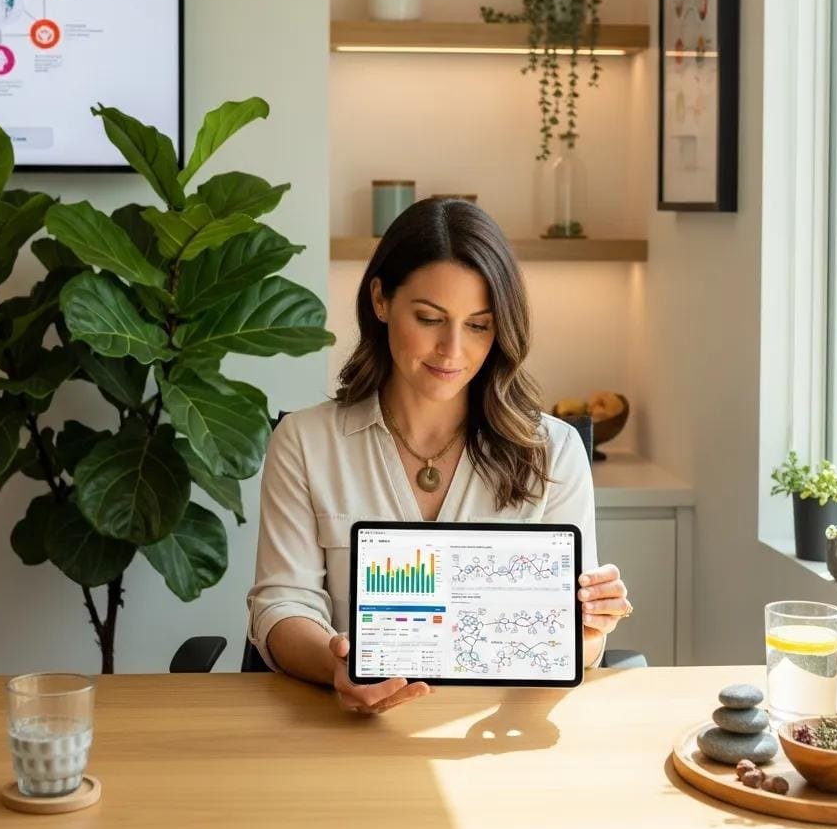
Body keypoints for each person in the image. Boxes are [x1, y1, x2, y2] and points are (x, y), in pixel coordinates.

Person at [247, 198, 632, 714]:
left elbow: (573, 648)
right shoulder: (304, 441)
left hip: (491, 738)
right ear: (381, 300)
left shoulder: (553, 452)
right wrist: (335, 664)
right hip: (347, 733)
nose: (452, 350)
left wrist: (587, 628)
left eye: (478, 325)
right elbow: (281, 604)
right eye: (430, 318)